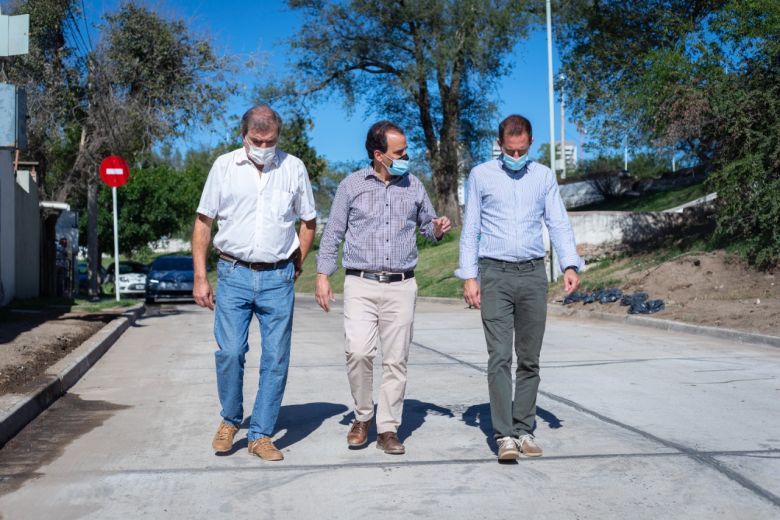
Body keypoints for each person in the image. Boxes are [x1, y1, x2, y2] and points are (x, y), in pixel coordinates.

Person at [315, 121, 451, 455]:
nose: (407, 155)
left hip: (402, 285)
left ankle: (388, 428)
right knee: (358, 351)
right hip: (360, 282)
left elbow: (427, 230)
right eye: (400, 151)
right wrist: (322, 274)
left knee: (396, 360)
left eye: (406, 149)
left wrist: (438, 228)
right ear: (379, 155)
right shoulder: (351, 186)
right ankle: (363, 416)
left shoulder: (414, 186)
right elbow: (333, 232)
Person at [192, 104, 317, 462]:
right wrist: (201, 276)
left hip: (279, 277)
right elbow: (204, 222)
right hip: (233, 274)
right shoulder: (224, 167)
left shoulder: (293, 168)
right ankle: (231, 419)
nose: (264, 146)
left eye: (271, 140)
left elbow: (308, 222)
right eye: (257, 140)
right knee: (230, 352)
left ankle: (261, 434)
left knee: (276, 358)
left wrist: (298, 263)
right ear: (243, 135)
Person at [455, 114, 583, 461]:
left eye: (521, 151)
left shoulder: (542, 176)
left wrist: (570, 264)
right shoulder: (481, 175)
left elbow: (557, 221)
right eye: (510, 151)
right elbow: (471, 228)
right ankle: (504, 436)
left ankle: (524, 429)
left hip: (532, 274)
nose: (516, 157)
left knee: (529, 359)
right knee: (499, 356)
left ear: (530, 144)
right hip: (494, 274)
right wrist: (469, 276)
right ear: (500, 145)